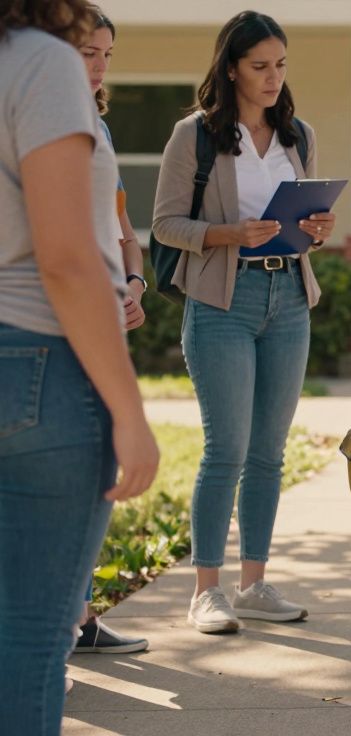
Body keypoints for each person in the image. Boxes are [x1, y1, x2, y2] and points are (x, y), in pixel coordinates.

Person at [0, 0, 160, 731]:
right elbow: (65, 259)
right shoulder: (41, 62)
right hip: (40, 364)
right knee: (32, 641)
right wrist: (129, 412)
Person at [152, 10, 336, 634]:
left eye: (280, 65)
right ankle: (206, 592)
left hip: (290, 298)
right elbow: (165, 224)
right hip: (221, 303)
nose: (273, 77)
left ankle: (253, 584)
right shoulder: (195, 136)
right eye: (260, 66)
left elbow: (306, 224)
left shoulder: (298, 135)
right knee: (225, 449)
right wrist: (229, 233)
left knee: (268, 453)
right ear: (231, 68)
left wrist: (317, 229)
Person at [71, 3, 150, 657]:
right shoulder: (43, 120)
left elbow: (124, 230)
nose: (98, 66)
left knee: (93, 476)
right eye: (86, 52)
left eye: (106, 55)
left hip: (107, 313)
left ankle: (78, 615)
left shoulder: (97, 126)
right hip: (64, 323)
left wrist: (135, 283)